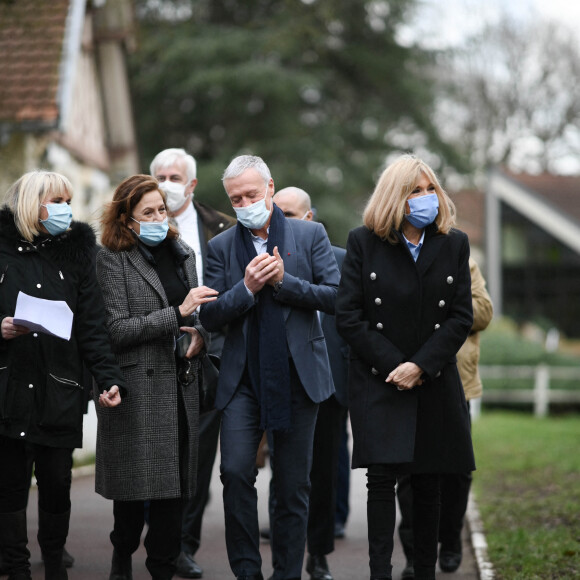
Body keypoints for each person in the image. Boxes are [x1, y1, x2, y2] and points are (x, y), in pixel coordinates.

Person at [199, 155, 340, 580]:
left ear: (271, 188)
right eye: (235, 198)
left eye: (251, 194)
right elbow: (211, 315)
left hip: (299, 376)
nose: (244, 204)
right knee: (235, 472)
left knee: (292, 487)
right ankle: (247, 571)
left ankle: (286, 573)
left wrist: (283, 283)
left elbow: (336, 297)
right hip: (243, 379)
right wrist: (247, 288)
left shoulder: (309, 234)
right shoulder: (220, 247)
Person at [335, 154, 475, 580]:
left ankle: (425, 571)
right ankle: (380, 573)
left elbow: (460, 317)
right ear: (395, 196)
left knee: (429, 483)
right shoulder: (363, 242)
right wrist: (397, 365)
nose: (425, 198)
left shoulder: (454, 243)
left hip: (432, 379)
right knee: (380, 481)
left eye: (430, 188)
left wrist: (421, 366)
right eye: (415, 190)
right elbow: (349, 316)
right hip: (381, 380)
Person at [0, 170, 124, 580]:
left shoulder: (77, 253)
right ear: (31, 204)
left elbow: (92, 324)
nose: (65, 209)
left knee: (56, 484)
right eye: (57, 200)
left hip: (60, 388)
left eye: (68, 200)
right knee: (10, 485)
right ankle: (15, 567)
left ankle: (55, 563)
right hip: (9, 388)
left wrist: (109, 379)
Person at [94, 174, 218, 580]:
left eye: (162, 209)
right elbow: (116, 329)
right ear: (126, 219)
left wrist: (199, 333)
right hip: (138, 390)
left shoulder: (184, 255)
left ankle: (162, 567)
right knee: (132, 499)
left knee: (174, 496)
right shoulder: (111, 258)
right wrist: (177, 314)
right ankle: (121, 560)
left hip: (180, 387)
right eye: (147, 212)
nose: (158, 218)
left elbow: (195, 317)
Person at [150, 147, 236, 579]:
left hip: (207, 360)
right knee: (153, 456)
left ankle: (184, 545)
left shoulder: (221, 228)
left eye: (174, 176)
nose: (167, 183)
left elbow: (233, 295)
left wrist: (208, 336)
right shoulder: (134, 226)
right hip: (150, 355)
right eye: (160, 175)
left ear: (192, 184)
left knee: (196, 463)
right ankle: (151, 539)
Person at [396, 256, 493, 578]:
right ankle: (414, 553)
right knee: (409, 473)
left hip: (455, 383)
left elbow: (483, 313)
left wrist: (442, 305)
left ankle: (450, 538)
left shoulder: (463, 260)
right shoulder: (396, 257)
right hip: (409, 378)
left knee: (457, 470)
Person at [271, 187, 349, 580]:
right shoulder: (264, 259)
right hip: (281, 378)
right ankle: (283, 559)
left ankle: (318, 553)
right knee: (283, 473)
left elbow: (350, 319)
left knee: (323, 472)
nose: (283, 221)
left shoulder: (340, 260)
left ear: (310, 217)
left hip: (328, 380)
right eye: (277, 213)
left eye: (291, 213)